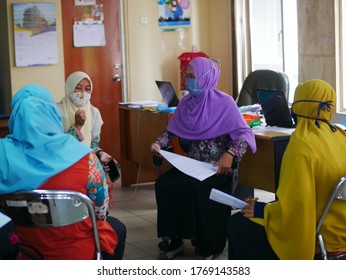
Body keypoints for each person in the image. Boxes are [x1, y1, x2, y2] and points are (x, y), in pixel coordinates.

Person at [0, 84, 126, 260]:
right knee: (117, 228)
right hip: (76, 251)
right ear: (52, 113)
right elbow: (100, 212)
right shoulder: (84, 157)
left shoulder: (2, 153)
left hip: (21, 251)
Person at [227, 79, 346, 260]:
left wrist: (262, 210)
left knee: (238, 225)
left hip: (321, 236)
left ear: (297, 107)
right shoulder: (341, 135)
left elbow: (296, 210)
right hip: (341, 227)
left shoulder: (302, 145)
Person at [151, 57, 256, 260]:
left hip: (217, 168)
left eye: (193, 77)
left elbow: (244, 135)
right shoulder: (186, 104)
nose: (189, 82)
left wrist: (231, 154)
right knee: (165, 183)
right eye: (187, 77)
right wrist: (157, 144)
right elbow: (170, 132)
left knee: (198, 189)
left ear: (207, 77)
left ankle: (209, 244)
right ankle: (175, 238)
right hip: (192, 166)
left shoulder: (224, 102)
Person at [57, 71, 116, 177]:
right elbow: (60, 147)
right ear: (69, 88)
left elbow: (93, 144)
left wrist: (100, 153)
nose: (83, 92)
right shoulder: (58, 111)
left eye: (87, 89)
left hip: (86, 164)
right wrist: (77, 126)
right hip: (62, 165)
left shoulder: (93, 112)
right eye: (78, 87)